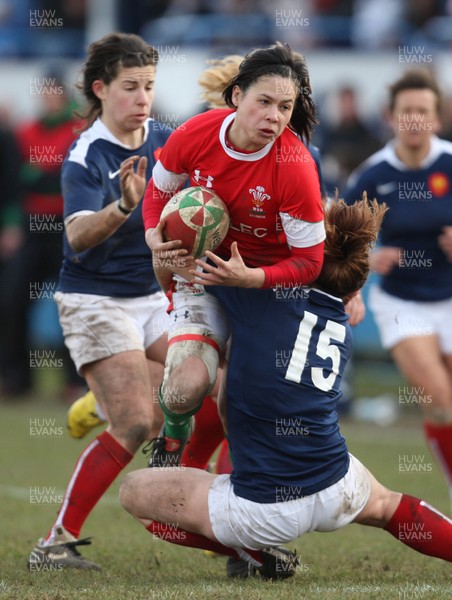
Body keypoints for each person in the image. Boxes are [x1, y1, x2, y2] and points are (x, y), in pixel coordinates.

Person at [120, 198, 452, 575]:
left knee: (135, 492)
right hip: (336, 481)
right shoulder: (338, 320)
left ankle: (255, 553)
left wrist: (168, 238)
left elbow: (184, 275)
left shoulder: (262, 297)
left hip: (264, 509)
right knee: (390, 506)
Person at [28, 32, 172, 571]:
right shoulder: (86, 154)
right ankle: (55, 543)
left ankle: (241, 534)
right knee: (136, 422)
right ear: (101, 89)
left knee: (225, 386)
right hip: (95, 300)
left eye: (149, 86)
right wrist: (122, 207)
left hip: (153, 294)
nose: (142, 98)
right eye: (130, 87)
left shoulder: (165, 138)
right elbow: (77, 235)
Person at [142, 42, 325, 468]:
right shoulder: (196, 133)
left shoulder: (295, 166)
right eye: (264, 102)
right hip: (205, 276)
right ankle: (172, 437)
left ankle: (244, 514)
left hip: (269, 290)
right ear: (236, 96)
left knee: (242, 413)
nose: (275, 116)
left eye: (285, 106)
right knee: (185, 387)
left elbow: (310, 263)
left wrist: (253, 279)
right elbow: (159, 190)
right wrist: (153, 234)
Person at [344, 68, 452, 509]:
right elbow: (339, 244)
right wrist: (368, 257)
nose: (414, 120)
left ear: (437, 118)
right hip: (402, 303)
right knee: (441, 402)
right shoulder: (372, 175)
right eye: (406, 111)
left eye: (422, 112)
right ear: (391, 117)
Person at [0, 68, 82, 398]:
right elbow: (17, 182)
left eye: (53, 93)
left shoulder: (78, 129)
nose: (47, 99)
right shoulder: (25, 132)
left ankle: (75, 380)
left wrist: (42, 174)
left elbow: (62, 177)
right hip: (32, 228)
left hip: (69, 227)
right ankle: (17, 378)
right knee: (14, 300)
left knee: (72, 303)